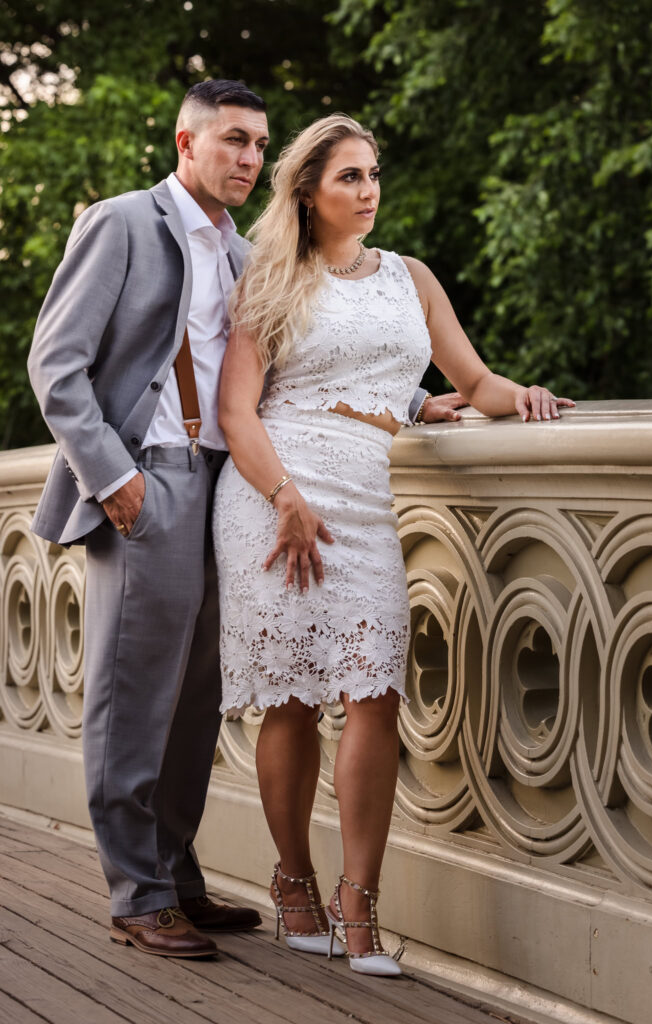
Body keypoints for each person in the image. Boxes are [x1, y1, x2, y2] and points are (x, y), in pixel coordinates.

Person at [26, 79, 464, 961]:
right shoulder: (122, 223)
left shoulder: (245, 252)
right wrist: (116, 481)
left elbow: (298, 360)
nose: (248, 158)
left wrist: (412, 403)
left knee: (195, 700)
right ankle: (138, 895)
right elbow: (56, 368)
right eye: (232, 139)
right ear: (184, 142)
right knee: (132, 693)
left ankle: (177, 875)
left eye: (259, 144)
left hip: (227, 484)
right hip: (149, 478)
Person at [213, 113, 574, 976]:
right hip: (277, 496)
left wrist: (518, 396)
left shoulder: (410, 276)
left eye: (373, 174)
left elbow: (471, 378)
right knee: (292, 702)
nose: (369, 190)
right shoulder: (272, 277)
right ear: (308, 192)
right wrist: (286, 499)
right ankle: (294, 882)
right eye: (350, 177)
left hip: (366, 502)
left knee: (373, 695)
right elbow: (235, 411)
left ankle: (358, 906)